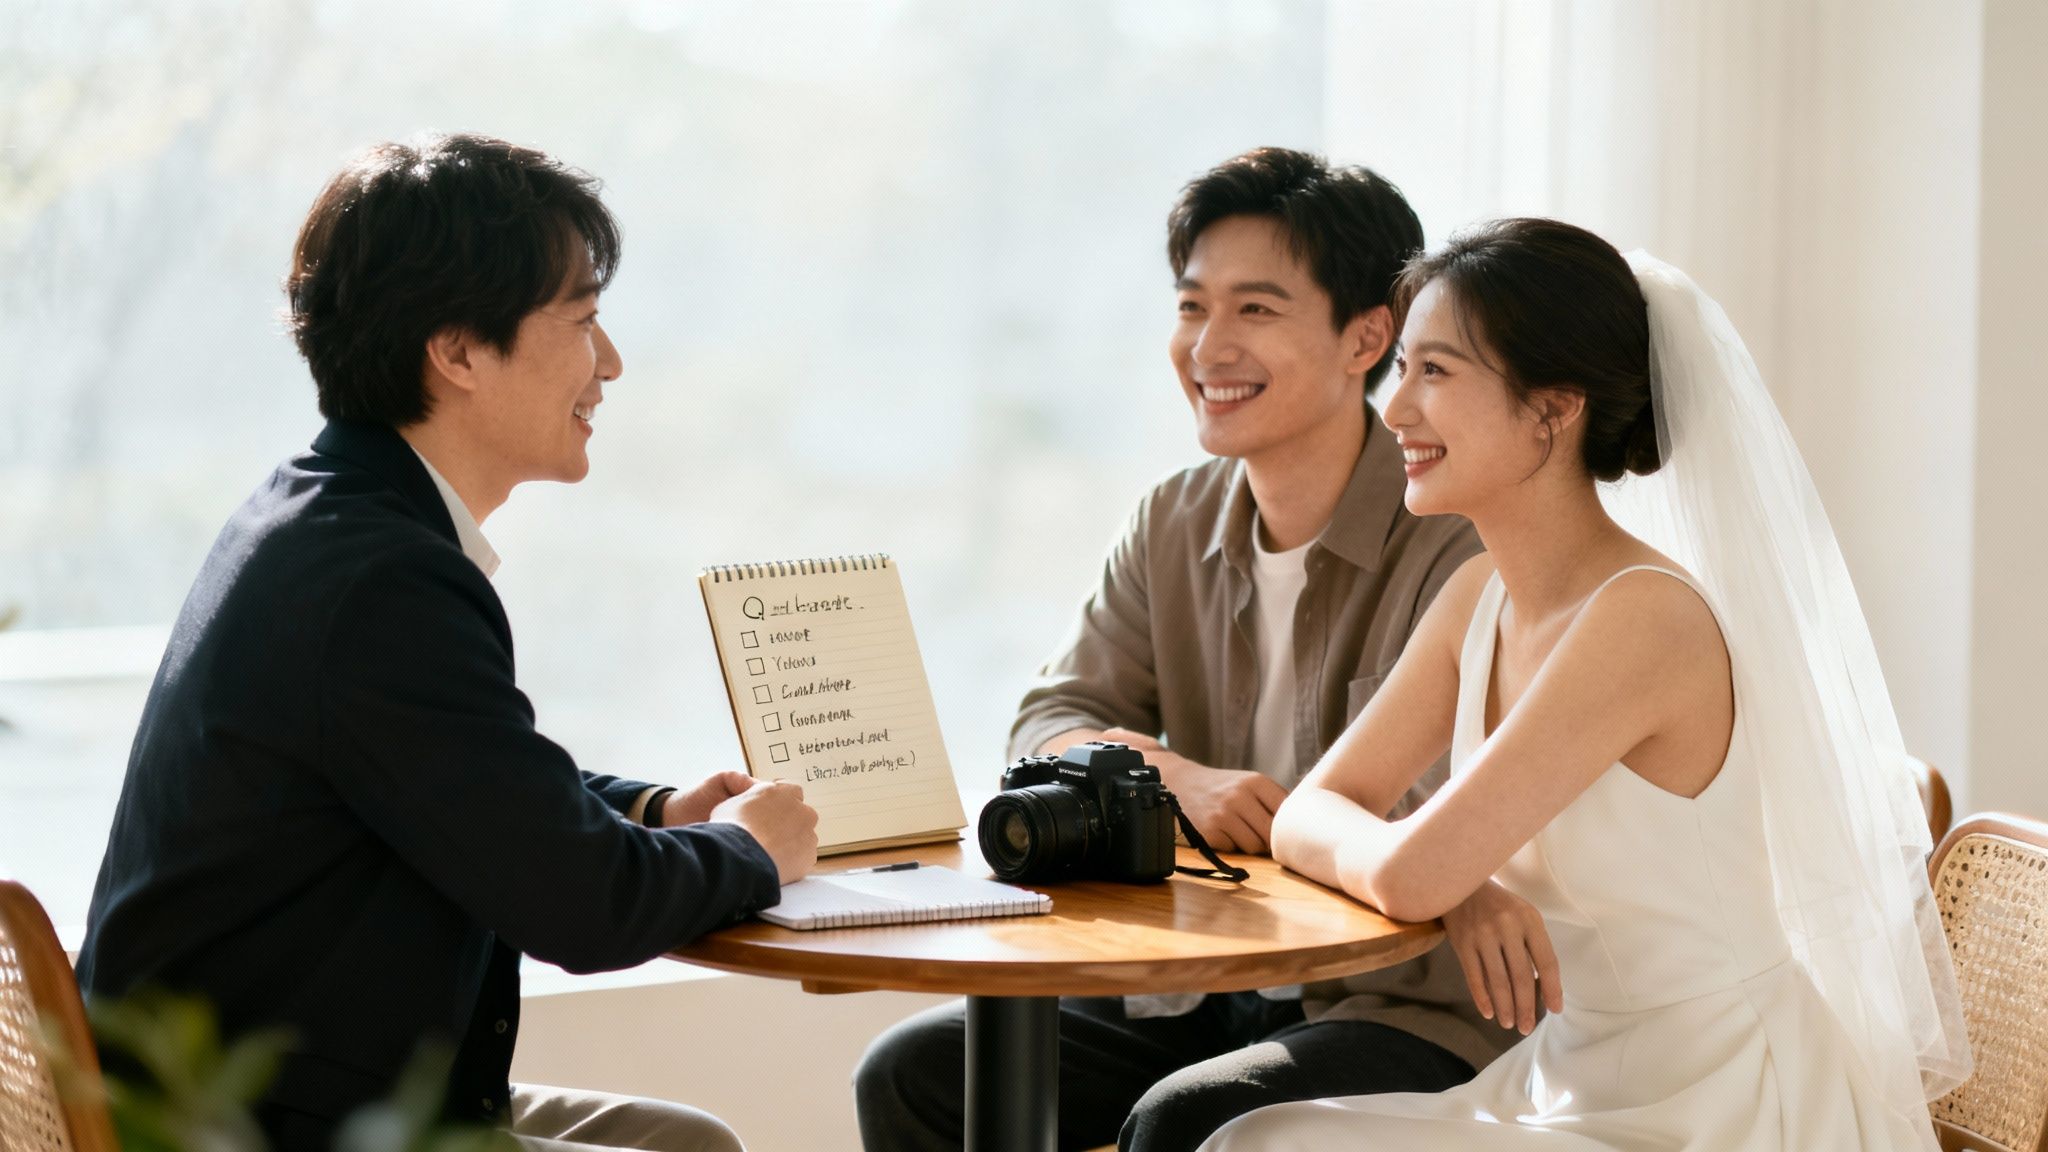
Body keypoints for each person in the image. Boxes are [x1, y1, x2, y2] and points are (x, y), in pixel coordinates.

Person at [76, 133, 821, 1152]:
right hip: (250, 1128)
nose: (609, 363)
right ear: (459, 350)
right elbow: (582, 907)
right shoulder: (382, 581)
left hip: (253, 1102)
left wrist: (654, 810)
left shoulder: (318, 517)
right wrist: (750, 852)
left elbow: (472, 785)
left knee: (679, 1141)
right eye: (583, 320)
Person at [1202, 218, 1972, 1150]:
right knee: (1242, 1134)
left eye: (1435, 372)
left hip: (1716, 1099)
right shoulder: (1477, 595)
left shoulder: (1644, 621)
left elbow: (1404, 867)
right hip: (1566, 1076)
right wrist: (1454, 884)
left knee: (1250, 1143)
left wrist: (1438, 876)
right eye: (1400, 366)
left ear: (1552, 410)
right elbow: (1307, 813)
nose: (1395, 407)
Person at [856, 148, 1511, 1152]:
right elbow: (1047, 721)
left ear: (1364, 337)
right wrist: (1166, 779)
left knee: (1185, 1122)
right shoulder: (1172, 519)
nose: (1208, 346)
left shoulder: (1454, 539)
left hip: (1398, 1006)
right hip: (1204, 990)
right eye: (1191, 307)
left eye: (1253, 310)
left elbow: (1446, 821)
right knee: (914, 1075)